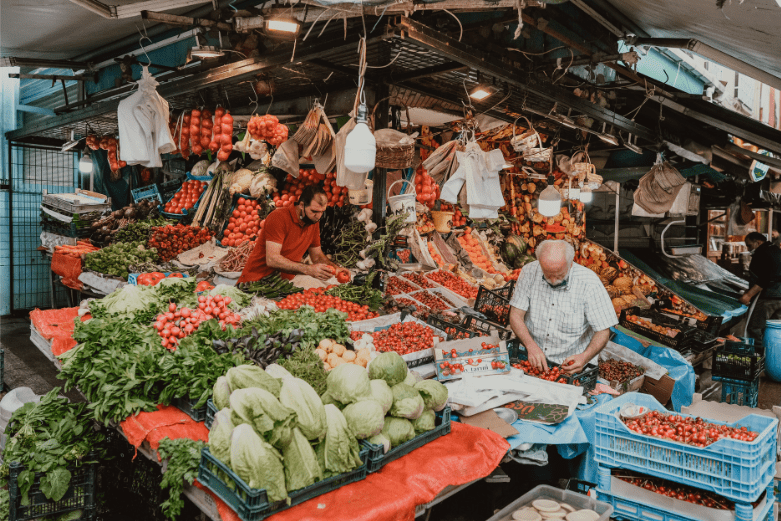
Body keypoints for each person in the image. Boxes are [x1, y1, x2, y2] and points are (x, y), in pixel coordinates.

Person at [508, 240, 618, 374]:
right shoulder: (529, 271)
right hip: (532, 361)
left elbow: (603, 331)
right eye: (548, 275)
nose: (553, 281)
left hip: (571, 367)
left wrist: (584, 357)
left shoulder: (589, 283)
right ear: (540, 263)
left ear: (570, 264)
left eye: (559, 275)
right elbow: (515, 315)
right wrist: (530, 345)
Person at [238, 185, 341, 283]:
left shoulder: (312, 221)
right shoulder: (278, 218)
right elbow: (272, 259)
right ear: (301, 205)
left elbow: (317, 256)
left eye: (322, 212)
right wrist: (308, 269)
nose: (318, 216)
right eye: (314, 211)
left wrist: (336, 269)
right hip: (255, 282)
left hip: (281, 285)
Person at [741, 231, 781, 345]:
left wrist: (748, 295)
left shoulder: (762, 252)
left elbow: (764, 278)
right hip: (779, 296)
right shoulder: (775, 249)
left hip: (768, 298)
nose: (748, 249)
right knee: (774, 328)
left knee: (755, 329)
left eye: (749, 245)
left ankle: (759, 357)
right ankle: (772, 356)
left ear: (758, 242)